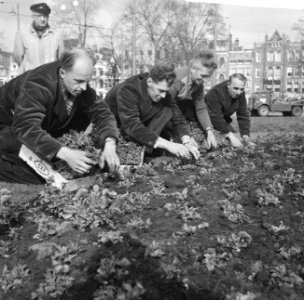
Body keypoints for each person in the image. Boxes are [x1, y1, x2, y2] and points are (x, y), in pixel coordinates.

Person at [0, 48, 120, 184]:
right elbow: (26, 127)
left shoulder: (77, 82)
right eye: (79, 81)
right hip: (6, 124)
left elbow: (103, 113)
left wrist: (110, 144)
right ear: (62, 73)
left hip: (30, 126)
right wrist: (65, 153)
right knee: (38, 177)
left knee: (51, 164)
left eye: (87, 81)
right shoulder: (38, 84)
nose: (84, 87)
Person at [104, 64, 200, 160]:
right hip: (112, 124)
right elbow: (131, 125)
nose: (163, 96)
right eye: (161, 91)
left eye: (166, 91)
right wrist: (168, 145)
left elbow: (177, 117)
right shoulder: (129, 89)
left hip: (138, 120)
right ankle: (137, 151)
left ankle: (149, 151)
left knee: (167, 110)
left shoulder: (162, 91)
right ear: (149, 81)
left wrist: (187, 141)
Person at [170, 50, 218, 149]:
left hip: (174, 109)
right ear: (192, 69)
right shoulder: (177, 77)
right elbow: (167, 107)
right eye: (203, 76)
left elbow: (200, 108)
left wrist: (209, 131)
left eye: (207, 77)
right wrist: (186, 136)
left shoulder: (198, 83)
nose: (204, 80)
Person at [13, 2, 64, 74]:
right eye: (39, 16)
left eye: (45, 16)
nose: (42, 19)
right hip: (30, 79)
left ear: (48, 17)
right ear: (33, 16)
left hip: (50, 79)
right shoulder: (23, 34)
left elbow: (61, 60)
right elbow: (18, 57)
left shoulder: (56, 36)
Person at [205, 73, 253, 148]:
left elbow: (243, 114)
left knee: (232, 140)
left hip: (224, 119)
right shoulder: (215, 92)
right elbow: (215, 116)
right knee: (219, 143)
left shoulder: (240, 93)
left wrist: (245, 135)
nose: (238, 92)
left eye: (241, 89)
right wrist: (230, 135)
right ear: (228, 85)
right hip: (208, 120)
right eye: (235, 88)